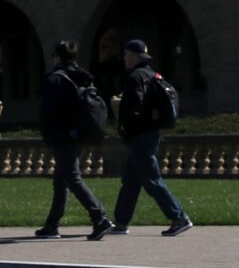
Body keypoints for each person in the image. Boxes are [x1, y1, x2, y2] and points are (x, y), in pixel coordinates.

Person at [109, 39, 192, 236]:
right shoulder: (153, 75)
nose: (124, 59)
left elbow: (134, 107)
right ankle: (121, 222)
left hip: (139, 137)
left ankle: (179, 217)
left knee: (152, 180)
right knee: (131, 180)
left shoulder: (135, 78)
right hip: (150, 134)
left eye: (126, 55)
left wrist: (126, 128)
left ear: (134, 56)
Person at [35, 40, 111, 239]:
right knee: (61, 179)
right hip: (82, 133)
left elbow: (48, 112)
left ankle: (99, 217)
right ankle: (52, 224)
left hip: (63, 136)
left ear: (57, 56)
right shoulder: (82, 76)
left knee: (72, 178)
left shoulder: (55, 79)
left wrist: (46, 134)